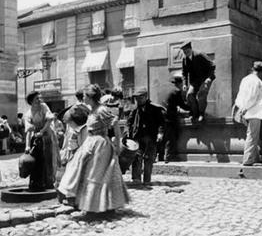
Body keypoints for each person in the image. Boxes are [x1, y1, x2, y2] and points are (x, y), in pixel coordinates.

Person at [58, 84, 129, 213]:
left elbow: (115, 123)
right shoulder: (91, 109)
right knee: (80, 170)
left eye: (84, 96)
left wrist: (118, 144)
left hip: (101, 145)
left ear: (90, 97)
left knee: (99, 174)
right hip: (90, 142)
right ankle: (87, 203)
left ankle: (104, 205)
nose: (83, 98)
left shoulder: (101, 110)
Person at [125, 87, 164, 184]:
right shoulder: (134, 109)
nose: (138, 100)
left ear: (146, 97)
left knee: (149, 158)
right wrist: (127, 133)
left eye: (140, 98)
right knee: (136, 157)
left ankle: (147, 180)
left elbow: (162, 123)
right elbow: (128, 122)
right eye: (136, 98)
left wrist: (160, 133)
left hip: (151, 136)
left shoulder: (155, 108)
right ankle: (136, 179)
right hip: (138, 137)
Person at [234, 61, 262, 166]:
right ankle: (248, 160)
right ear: (261, 72)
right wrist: (245, 108)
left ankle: (256, 158)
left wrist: (241, 109)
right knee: (252, 136)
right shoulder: (257, 81)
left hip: (246, 111)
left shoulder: (245, 79)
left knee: (254, 136)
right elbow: (252, 97)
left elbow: (240, 96)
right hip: (254, 112)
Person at [24, 91, 60, 190]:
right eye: (36, 98)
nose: (39, 100)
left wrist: (42, 131)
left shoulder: (43, 106)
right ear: (31, 101)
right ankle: (37, 183)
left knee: (48, 158)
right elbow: (28, 130)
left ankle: (49, 182)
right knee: (36, 160)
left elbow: (49, 120)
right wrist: (27, 145)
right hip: (36, 138)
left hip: (47, 134)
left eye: (40, 98)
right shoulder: (28, 114)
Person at [181, 41, 216, 122]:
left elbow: (212, 65)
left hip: (205, 78)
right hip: (195, 81)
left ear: (190, 49)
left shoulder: (200, 54)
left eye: (187, 51)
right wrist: (184, 84)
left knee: (201, 94)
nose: (186, 53)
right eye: (184, 52)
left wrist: (209, 78)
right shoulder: (185, 59)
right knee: (190, 94)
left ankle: (201, 114)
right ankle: (195, 114)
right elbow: (184, 73)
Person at [164, 75, 190, 162]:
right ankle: (169, 156)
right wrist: (193, 108)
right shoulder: (177, 91)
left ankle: (163, 155)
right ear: (180, 83)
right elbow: (182, 105)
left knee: (167, 137)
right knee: (173, 137)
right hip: (171, 118)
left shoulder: (168, 90)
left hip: (165, 117)